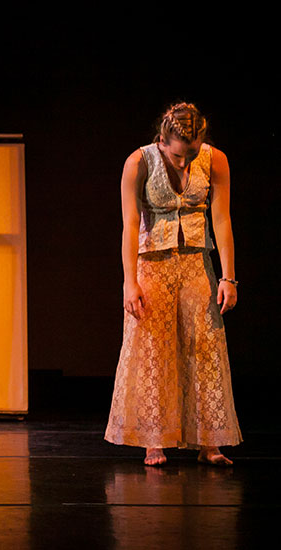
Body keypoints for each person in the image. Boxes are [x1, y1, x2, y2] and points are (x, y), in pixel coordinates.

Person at [105, 102, 242, 466]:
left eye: (192, 153)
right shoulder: (139, 162)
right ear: (163, 141)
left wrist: (228, 276)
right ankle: (155, 441)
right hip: (152, 263)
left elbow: (222, 220)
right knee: (153, 349)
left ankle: (209, 442)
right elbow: (130, 224)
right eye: (180, 154)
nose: (186, 162)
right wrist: (128, 282)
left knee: (205, 346)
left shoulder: (216, 160)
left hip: (197, 262)